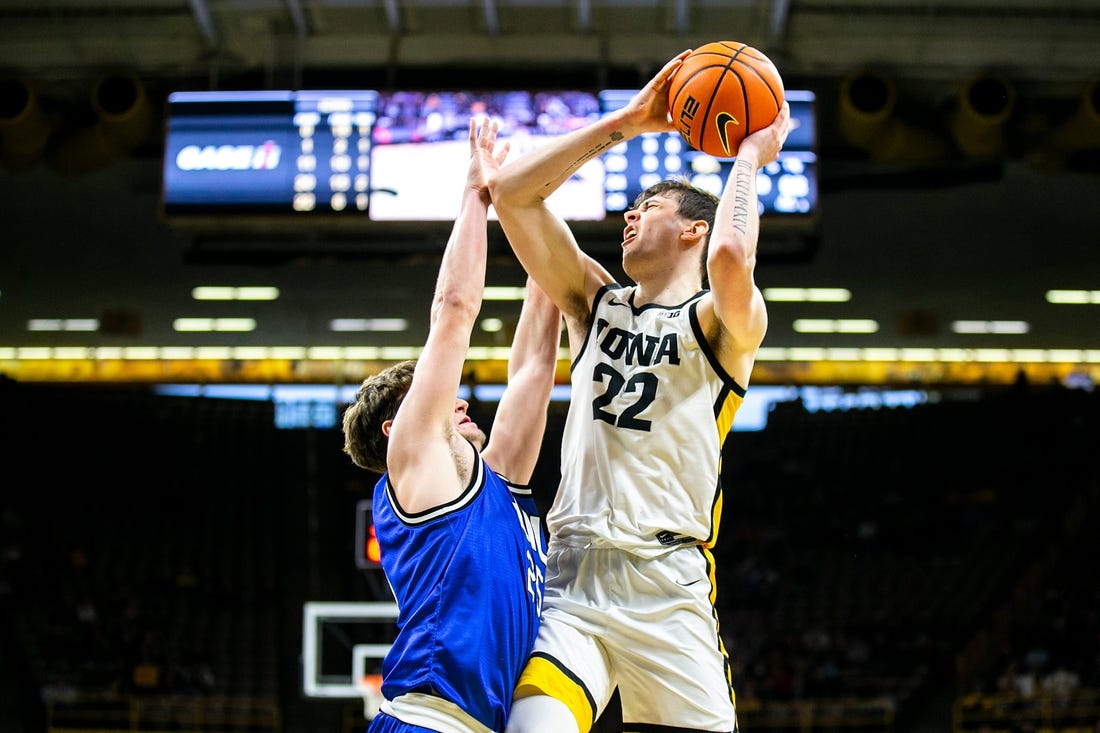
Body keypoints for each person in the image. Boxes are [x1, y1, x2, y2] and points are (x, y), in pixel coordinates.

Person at [488, 50, 792, 732]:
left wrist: (748, 155)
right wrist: (631, 119)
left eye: (646, 207)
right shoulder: (593, 301)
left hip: (668, 581)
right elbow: (511, 194)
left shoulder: (724, 323)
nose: (628, 216)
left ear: (692, 228)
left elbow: (731, 258)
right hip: (573, 574)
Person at [341, 118, 562, 733]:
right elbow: (454, 313)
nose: (461, 402)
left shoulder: (498, 484)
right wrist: (476, 195)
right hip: (426, 722)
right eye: (441, 399)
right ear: (397, 427)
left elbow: (535, 367)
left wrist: (540, 215)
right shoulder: (416, 462)